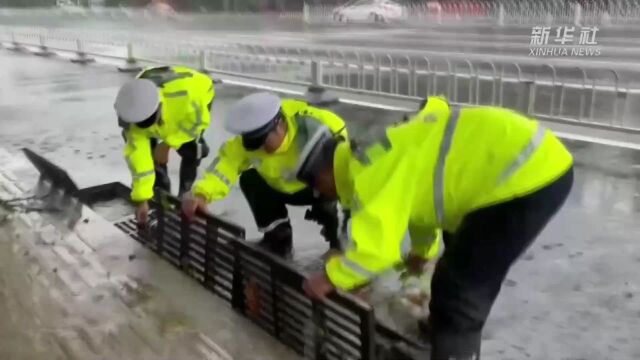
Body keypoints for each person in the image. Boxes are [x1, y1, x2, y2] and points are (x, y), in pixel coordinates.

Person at [295, 96, 574, 359]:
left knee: (458, 290)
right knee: (457, 266)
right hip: (518, 169)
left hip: (526, 176)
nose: (320, 194)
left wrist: (329, 278)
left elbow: (376, 254)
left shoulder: (367, 176)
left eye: (316, 186)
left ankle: (453, 342)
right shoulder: (369, 157)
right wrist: (421, 250)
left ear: (325, 171)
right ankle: (444, 329)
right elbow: (421, 202)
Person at [181, 92, 348, 257]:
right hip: (279, 187)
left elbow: (348, 177)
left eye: (264, 142)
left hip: (319, 187)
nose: (262, 150)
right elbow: (225, 166)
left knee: (336, 204)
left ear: (280, 124)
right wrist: (201, 194)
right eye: (254, 145)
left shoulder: (321, 130)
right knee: (250, 179)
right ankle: (278, 238)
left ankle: (338, 241)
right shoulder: (248, 141)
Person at [114, 65, 214, 226]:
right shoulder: (130, 109)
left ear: (159, 107)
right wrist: (142, 199)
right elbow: (139, 158)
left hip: (197, 95)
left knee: (192, 149)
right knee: (151, 154)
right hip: (161, 100)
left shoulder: (188, 97)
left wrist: (167, 145)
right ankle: (161, 193)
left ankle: (185, 192)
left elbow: (197, 124)